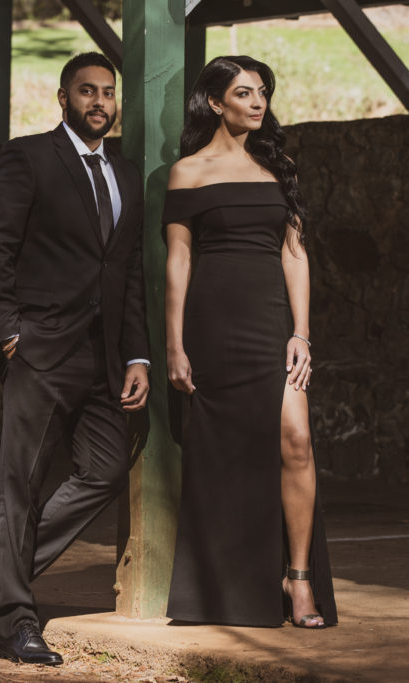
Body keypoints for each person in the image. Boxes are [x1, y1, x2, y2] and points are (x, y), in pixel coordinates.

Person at [0, 52, 151, 665]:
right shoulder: (29, 156)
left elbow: (127, 270)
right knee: (22, 489)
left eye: (108, 93)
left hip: (105, 357)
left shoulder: (125, 171)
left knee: (107, 468)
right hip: (39, 351)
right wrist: (10, 334)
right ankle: (16, 623)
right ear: (63, 98)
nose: (99, 102)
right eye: (87, 91)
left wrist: (139, 354)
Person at [162, 56, 338, 628]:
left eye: (263, 91)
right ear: (216, 102)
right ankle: (225, 589)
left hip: (271, 325)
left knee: (296, 439)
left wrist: (301, 333)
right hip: (212, 325)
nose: (258, 102)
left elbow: (296, 254)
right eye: (244, 92)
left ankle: (299, 578)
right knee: (225, 457)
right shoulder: (188, 172)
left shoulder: (276, 166)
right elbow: (179, 259)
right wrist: (174, 344)